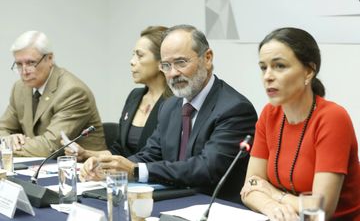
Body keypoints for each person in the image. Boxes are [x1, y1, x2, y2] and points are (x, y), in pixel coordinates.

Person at [79, 24, 257, 202]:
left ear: (208, 58)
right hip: (173, 199)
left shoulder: (234, 109)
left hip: (212, 205)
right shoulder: (170, 106)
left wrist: (134, 170)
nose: (172, 73)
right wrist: (111, 167)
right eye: (166, 65)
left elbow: (207, 168)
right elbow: (151, 154)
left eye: (181, 63)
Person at [241, 27, 360, 220]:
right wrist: (272, 207)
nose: (267, 76)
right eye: (263, 67)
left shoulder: (332, 118)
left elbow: (320, 211)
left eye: (279, 66)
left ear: (308, 71)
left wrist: (273, 194)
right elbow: (250, 186)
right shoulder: (269, 115)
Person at [65, 26, 172, 161]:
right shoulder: (135, 96)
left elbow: (159, 156)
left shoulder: (174, 102)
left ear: (161, 62)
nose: (132, 61)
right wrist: (86, 154)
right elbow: (119, 150)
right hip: (122, 177)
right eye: (133, 55)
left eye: (140, 55)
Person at [0, 31, 106, 157]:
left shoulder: (73, 91)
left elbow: (50, 147)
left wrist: (8, 147)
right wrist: (9, 139)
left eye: (31, 63)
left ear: (49, 59)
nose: (24, 71)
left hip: (82, 170)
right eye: (19, 64)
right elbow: (3, 129)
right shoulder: (20, 88)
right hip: (38, 167)